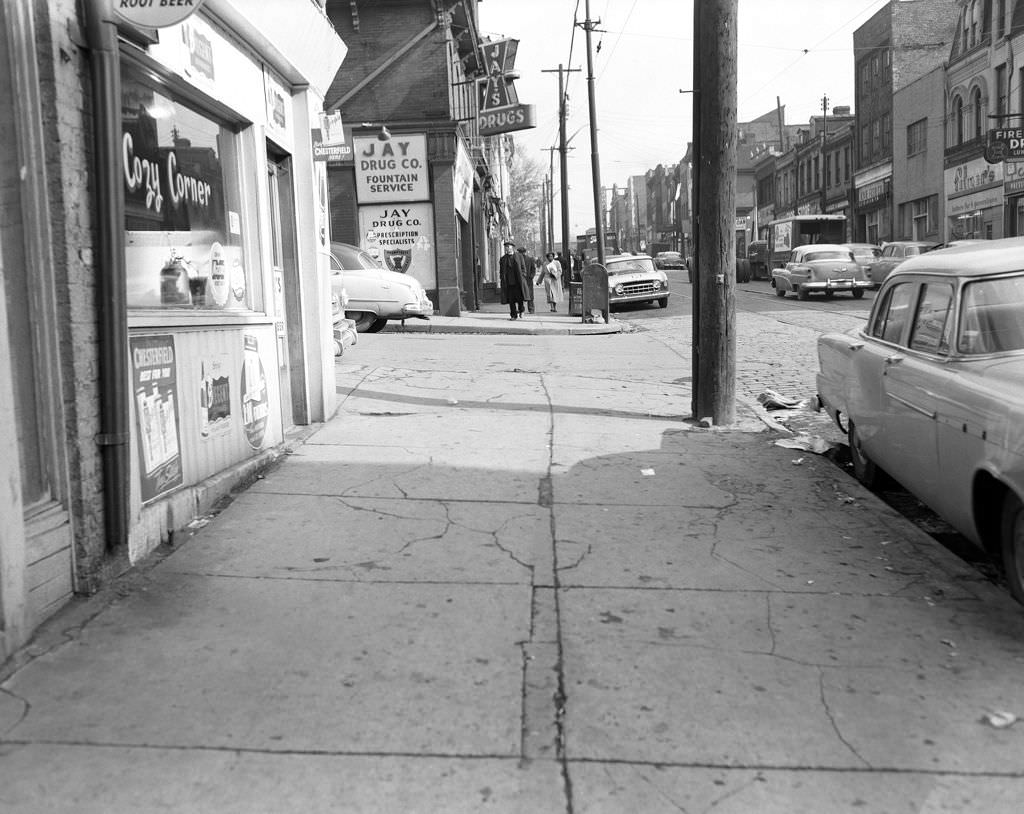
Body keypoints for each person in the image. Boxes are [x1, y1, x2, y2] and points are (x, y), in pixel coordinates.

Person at [498, 239, 529, 319]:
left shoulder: (519, 256)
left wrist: (523, 275)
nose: (507, 248)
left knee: (520, 298)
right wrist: (502, 278)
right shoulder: (503, 259)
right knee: (511, 300)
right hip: (508, 283)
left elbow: (523, 268)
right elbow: (501, 271)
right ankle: (513, 315)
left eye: (509, 246)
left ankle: (521, 310)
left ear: (512, 247)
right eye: (506, 247)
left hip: (518, 282)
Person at [517, 247, 537, 314]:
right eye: (520, 252)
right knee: (520, 295)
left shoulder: (530, 259)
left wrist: (531, 276)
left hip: (528, 280)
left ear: (524, 252)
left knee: (530, 295)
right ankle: (521, 309)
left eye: (522, 252)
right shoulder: (517, 259)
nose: (521, 254)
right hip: (520, 280)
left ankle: (531, 309)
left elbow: (533, 269)